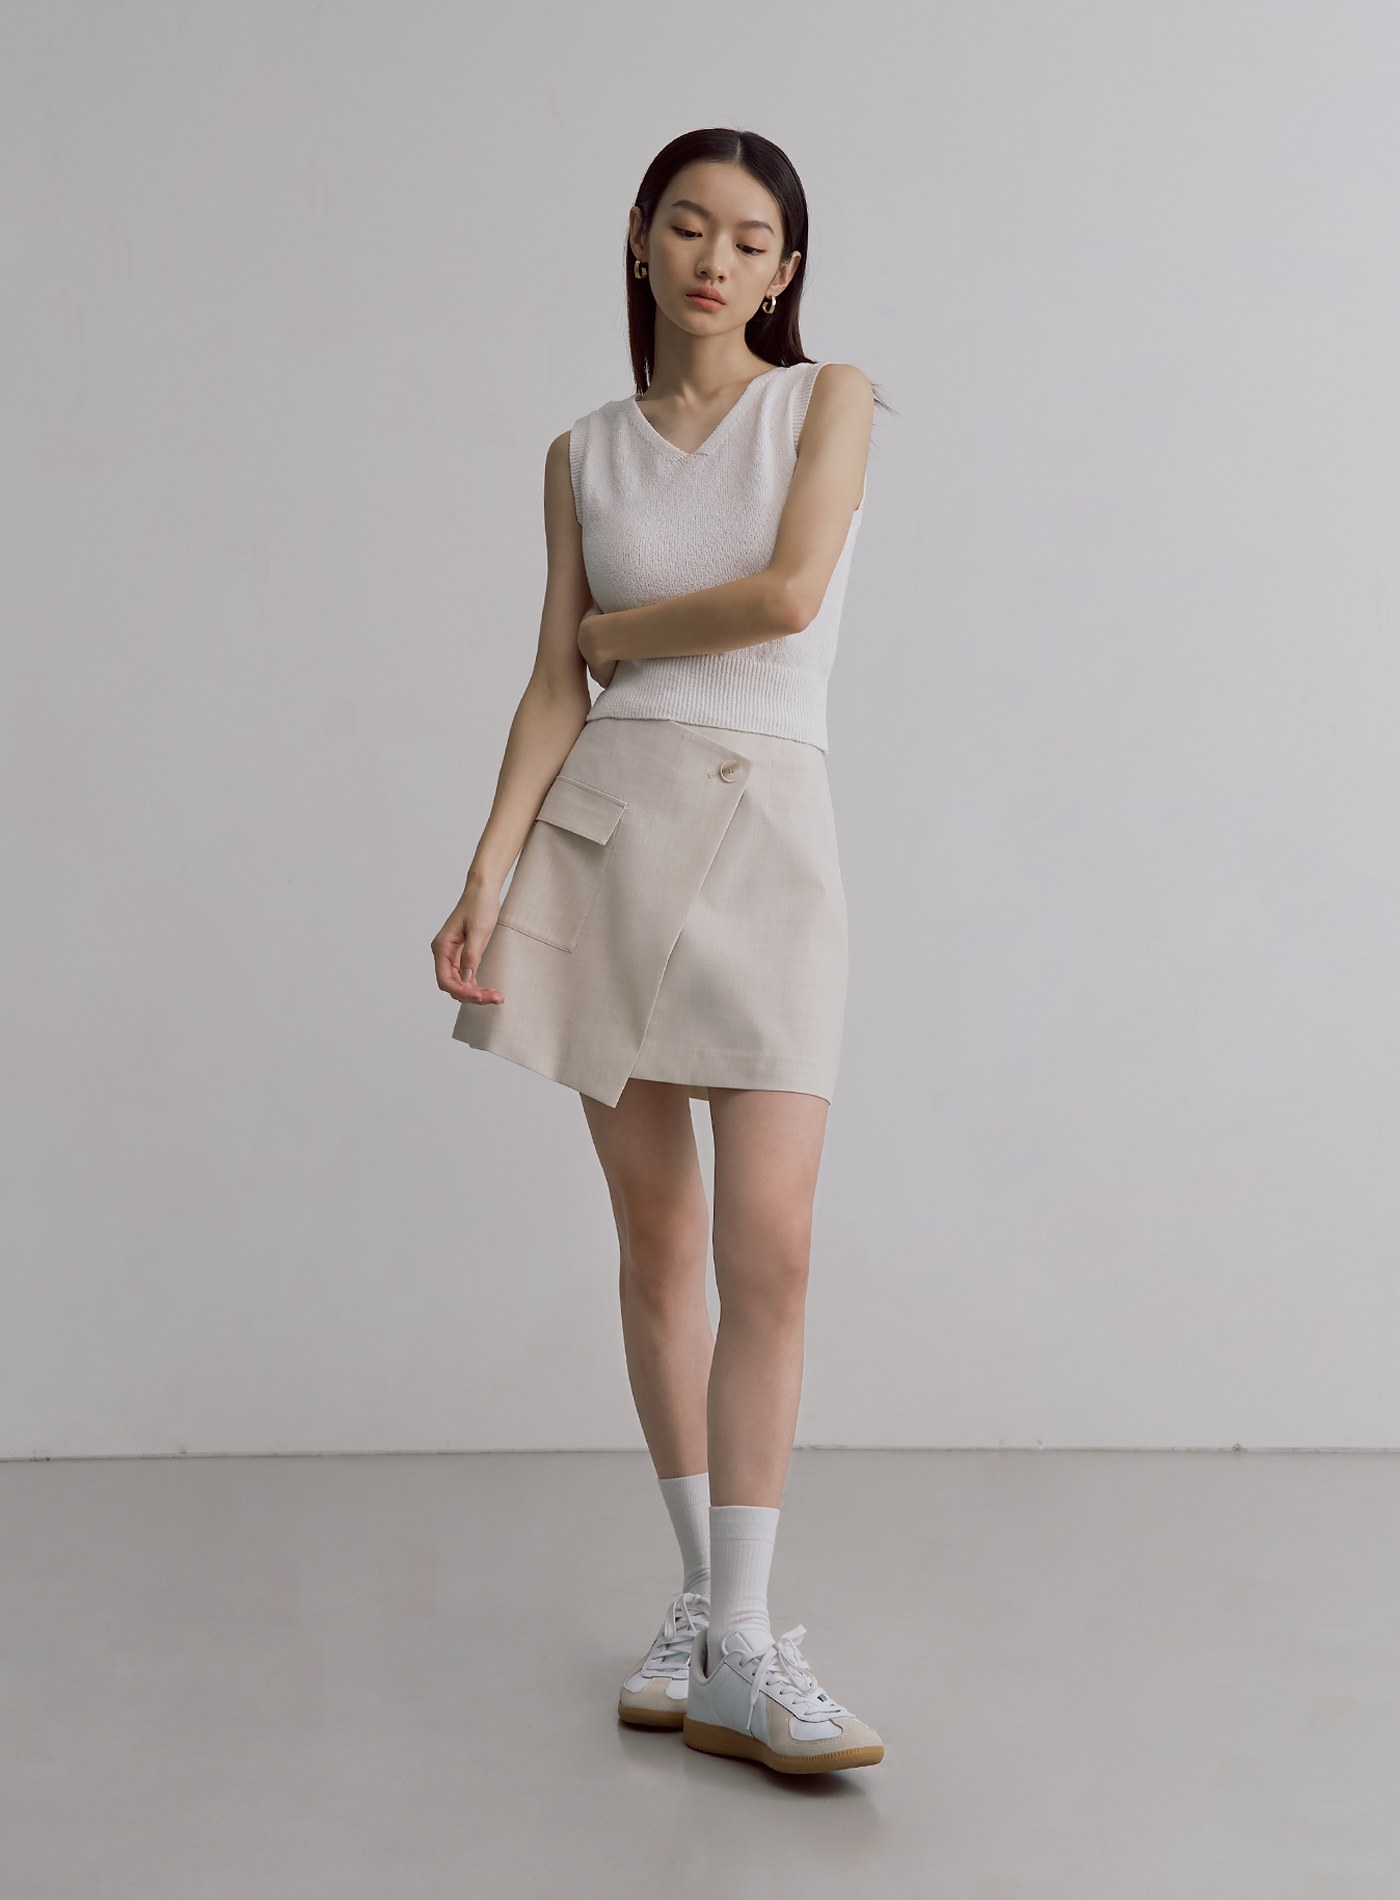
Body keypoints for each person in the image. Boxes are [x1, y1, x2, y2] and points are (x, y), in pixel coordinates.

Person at [432, 127, 885, 1775]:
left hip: (768, 836)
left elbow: (786, 595)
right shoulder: (583, 453)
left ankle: (747, 1642)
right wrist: (486, 871)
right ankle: (710, 1613)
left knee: (773, 1249)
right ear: (642, 240)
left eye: (752, 238)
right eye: (690, 226)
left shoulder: (826, 399)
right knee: (659, 1245)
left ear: (785, 270)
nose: (717, 258)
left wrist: (619, 630)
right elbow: (551, 681)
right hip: (606, 840)